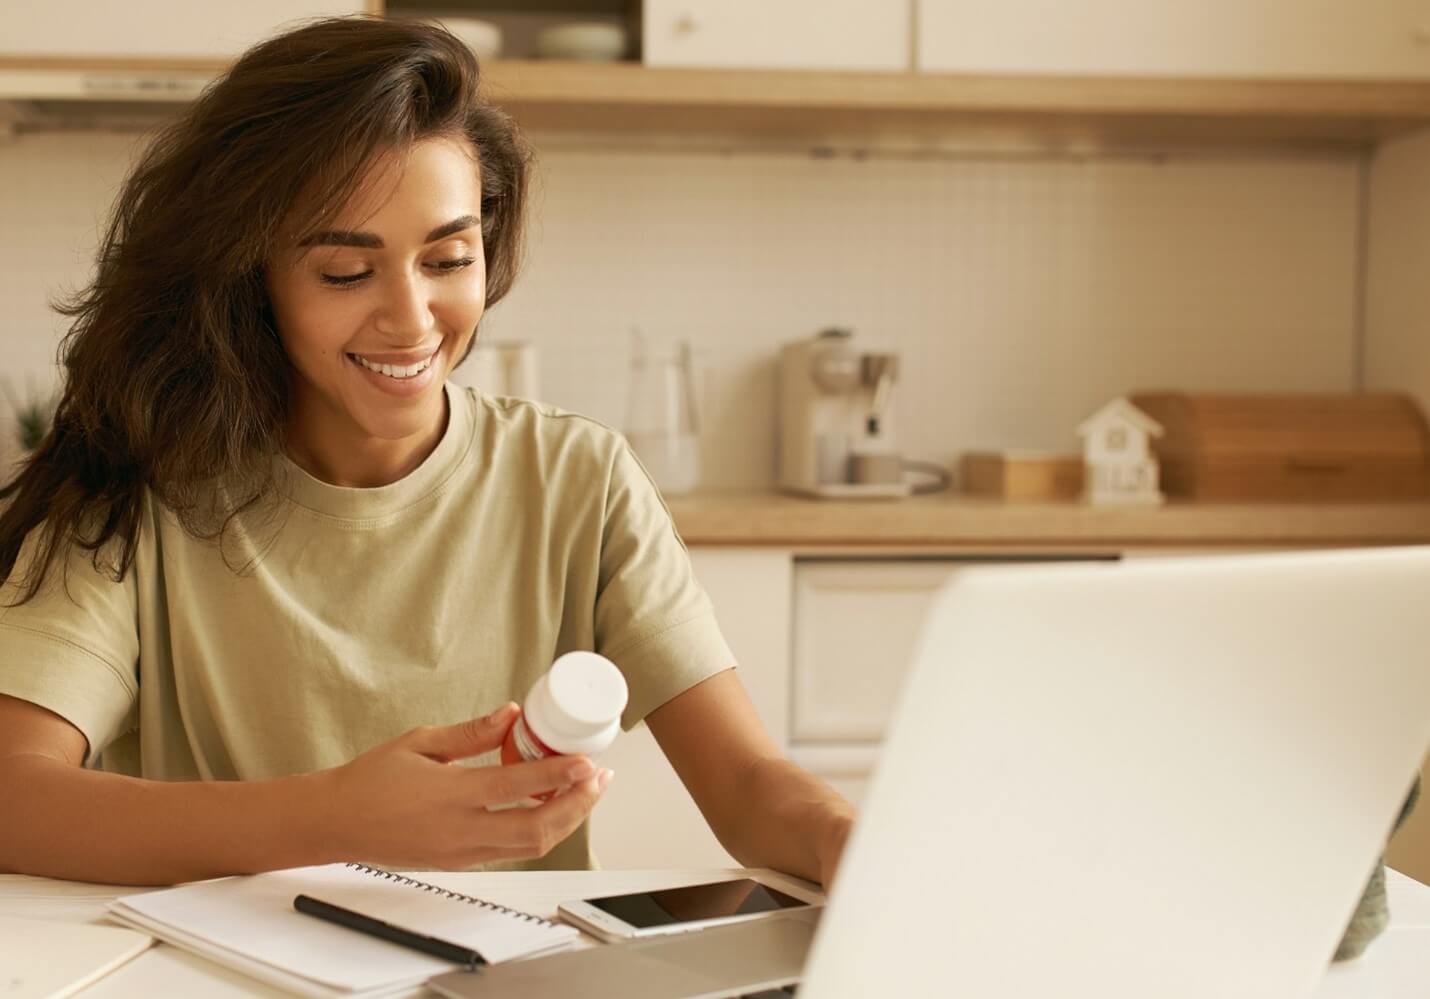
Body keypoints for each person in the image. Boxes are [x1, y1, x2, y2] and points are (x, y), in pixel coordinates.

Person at [0, 16, 853, 888]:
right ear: (251, 276)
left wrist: (846, 837)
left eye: (448, 258)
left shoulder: (579, 482)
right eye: (345, 273)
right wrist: (334, 816)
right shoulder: (142, 488)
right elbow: (13, 800)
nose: (411, 319)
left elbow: (748, 786)